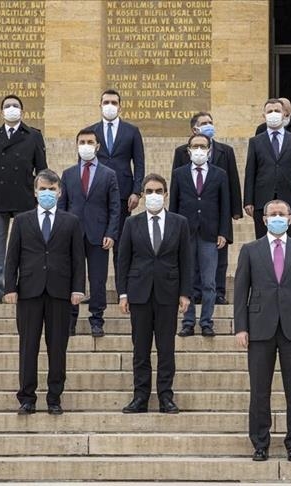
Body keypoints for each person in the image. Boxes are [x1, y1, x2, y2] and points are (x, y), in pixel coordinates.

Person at [234, 199, 291, 462]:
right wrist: (240, 327)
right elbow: (240, 292)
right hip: (260, 328)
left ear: (290, 219)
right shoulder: (250, 250)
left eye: (282, 214)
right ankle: (260, 443)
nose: (277, 217)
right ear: (264, 219)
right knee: (259, 390)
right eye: (272, 214)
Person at [4, 169, 85, 416]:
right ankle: (27, 397)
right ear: (35, 191)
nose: (47, 193)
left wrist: (78, 288)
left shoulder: (71, 221)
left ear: (59, 192)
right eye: (43, 189)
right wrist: (10, 287)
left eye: (52, 189)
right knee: (28, 346)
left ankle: (54, 397)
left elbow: (77, 259)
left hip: (60, 292)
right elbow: (12, 256)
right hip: (29, 290)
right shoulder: (22, 220)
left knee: (57, 346)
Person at [117, 174, 193, 414]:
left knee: (166, 348)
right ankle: (140, 396)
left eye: (158, 191)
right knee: (140, 349)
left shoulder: (179, 222)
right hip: (139, 293)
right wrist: (122, 294)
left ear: (166, 194)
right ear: (142, 195)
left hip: (167, 293)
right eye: (149, 191)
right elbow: (123, 260)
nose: (153, 195)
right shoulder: (132, 223)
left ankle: (165, 396)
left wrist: (185, 293)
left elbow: (186, 260)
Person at [0, 94, 48, 304]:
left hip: (24, 196)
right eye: (7, 106)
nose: (11, 109)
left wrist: (43, 196)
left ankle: (24, 285)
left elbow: (42, 169)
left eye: (15, 106)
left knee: (25, 245)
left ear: (22, 111)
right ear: (1, 112)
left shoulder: (34, 136)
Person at [172, 111, 242, 305]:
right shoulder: (181, 152)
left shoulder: (225, 151)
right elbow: (176, 188)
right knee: (192, 258)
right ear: (194, 129)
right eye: (204, 123)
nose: (209, 125)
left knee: (219, 256)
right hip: (191, 213)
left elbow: (233, 181)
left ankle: (218, 291)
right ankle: (194, 291)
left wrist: (236, 209)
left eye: (211, 122)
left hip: (218, 210)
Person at [58, 128, 121, 337]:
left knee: (98, 279)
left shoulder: (109, 174)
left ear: (97, 146)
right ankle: (70, 320)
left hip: (98, 235)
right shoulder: (68, 174)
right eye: (82, 142)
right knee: (73, 277)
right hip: (73, 235)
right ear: (77, 145)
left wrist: (111, 233)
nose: (86, 145)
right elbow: (62, 206)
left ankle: (97, 319)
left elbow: (114, 207)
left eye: (90, 142)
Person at [170, 134, 230, 337]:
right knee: (187, 278)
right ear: (188, 150)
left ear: (209, 150)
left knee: (208, 281)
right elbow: (174, 205)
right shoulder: (179, 174)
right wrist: (173, 232)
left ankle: (206, 321)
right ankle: (188, 321)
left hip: (210, 234)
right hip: (186, 233)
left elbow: (224, 205)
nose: (198, 150)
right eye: (195, 146)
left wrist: (224, 232)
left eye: (203, 146)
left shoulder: (220, 174)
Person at [86, 89, 146, 287]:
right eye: (106, 102)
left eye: (113, 102)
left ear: (120, 106)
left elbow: (139, 163)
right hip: (96, 195)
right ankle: (97, 290)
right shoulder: (90, 132)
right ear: (100, 105)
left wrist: (137, 191)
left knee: (120, 244)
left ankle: (123, 290)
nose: (109, 105)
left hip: (123, 193)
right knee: (97, 246)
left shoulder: (131, 131)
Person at [244, 98, 291, 238]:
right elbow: (251, 171)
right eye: (270, 111)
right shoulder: (255, 141)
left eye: (277, 110)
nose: (273, 113)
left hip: (290, 197)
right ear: (263, 116)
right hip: (262, 197)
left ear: (284, 114)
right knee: (262, 240)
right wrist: (248, 200)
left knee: (290, 240)